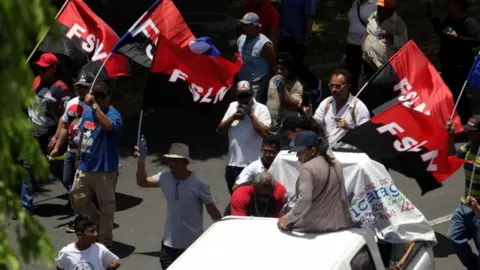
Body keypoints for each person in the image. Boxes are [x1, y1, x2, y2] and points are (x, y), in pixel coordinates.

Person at [134, 142, 222, 269]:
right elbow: (142, 182)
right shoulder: (164, 177)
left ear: (185, 162)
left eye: (175, 161)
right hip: (168, 245)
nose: (170, 164)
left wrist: (222, 227)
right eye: (169, 160)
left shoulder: (198, 183)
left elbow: (211, 208)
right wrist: (141, 159)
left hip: (192, 245)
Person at [71, 82, 122, 249]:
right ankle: (98, 222)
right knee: (77, 198)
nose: (98, 99)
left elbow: (107, 126)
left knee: (107, 206)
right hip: (85, 167)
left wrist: (94, 105)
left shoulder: (113, 115)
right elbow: (83, 135)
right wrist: (78, 158)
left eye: (102, 97)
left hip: (104, 170)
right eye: (96, 96)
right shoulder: (87, 113)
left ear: (108, 98)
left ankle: (105, 242)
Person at [278, 130, 354, 232]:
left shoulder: (307, 168)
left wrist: (288, 218)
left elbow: (304, 200)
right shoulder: (337, 164)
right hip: (338, 224)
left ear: (313, 150)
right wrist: (350, 221)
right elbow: (343, 197)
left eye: (300, 152)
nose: (297, 156)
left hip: (313, 226)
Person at [23, 52, 71, 213]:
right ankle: (26, 207)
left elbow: (67, 118)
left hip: (50, 136)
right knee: (27, 170)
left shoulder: (61, 89)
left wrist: (57, 139)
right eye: (39, 68)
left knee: (61, 170)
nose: (40, 72)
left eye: (44, 69)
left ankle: (77, 201)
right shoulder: (36, 81)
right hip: (32, 134)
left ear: (53, 69)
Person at [50, 72, 91, 232]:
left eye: (84, 87)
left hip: (85, 153)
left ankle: (80, 217)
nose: (81, 90)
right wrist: (56, 147)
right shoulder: (71, 104)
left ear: (89, 88)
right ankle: (82, 211)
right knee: (68, 181)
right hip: (70, 150)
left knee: (79, 187)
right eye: (78, 87)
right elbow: (65, 127)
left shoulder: (93, 106)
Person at [426, 0, 480, 123]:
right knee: (451, 94)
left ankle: (468, 123)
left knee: (461, 95)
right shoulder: (449, 19)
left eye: (452, 3)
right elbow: (444, 34)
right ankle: (457, 121)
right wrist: (434, 19)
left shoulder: (468, 22)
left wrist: (458, 38)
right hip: (448, 64)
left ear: (459, 5)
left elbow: (477, 40)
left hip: (461, 65)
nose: (448, 6)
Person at [217, 80, 271, 194]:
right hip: (233, 164)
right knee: (236, 199)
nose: (244, 99)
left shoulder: (261, 108)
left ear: (252, 94)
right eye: (241, 96)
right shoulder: (233, 106)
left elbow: (264, 133)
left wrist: (250, 114)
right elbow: (220, 130)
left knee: (252, 199)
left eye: (247, 95)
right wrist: (233, 118)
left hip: (253, 164)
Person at [446, 115, 480, 270]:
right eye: (468, 130)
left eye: (473, 131)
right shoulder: (469, 146)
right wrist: (450, 137)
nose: (469, 133)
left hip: (478, 210)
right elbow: (452, 158)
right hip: (465, 205)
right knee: (454, 238)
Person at [313, 69, 370, 149]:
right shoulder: (326, 103)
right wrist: (308, 115)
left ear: (348, 86)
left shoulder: (359, 107)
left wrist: (348, 128)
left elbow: (366, 136)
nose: (334, 90)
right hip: (328, 154)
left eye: (338, 86)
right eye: (331, 86)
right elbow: (315, 124)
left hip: (348, 156)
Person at [278, 0, 321, 104]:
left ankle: (314, 84)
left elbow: (310, 17)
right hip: (284, 35)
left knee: (297, 65)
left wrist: (307, 37)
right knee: (286, 65)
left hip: (298, 36)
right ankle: (291, 93)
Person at [236, 12, 276, 104]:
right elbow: (238, 55)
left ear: (256, 27)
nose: (243, 27)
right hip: (243, 79)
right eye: (243, 24)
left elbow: (272, 63)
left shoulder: (265, 44)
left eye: (246, 25)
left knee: (254, 107)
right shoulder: (241, 38)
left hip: (258, 81)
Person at [55, 215, 120, 270]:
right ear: (80, 235)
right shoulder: (66, 252)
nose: (96, 234)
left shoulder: (100, 248)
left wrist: (113, 266)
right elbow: (59, 268)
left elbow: (114, 261)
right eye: (91, 231)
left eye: (96, 230)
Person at [362, 0, 408, 77]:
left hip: (383, 65)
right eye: (379, 7)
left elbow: (404, 44)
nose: (379, 10)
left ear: (391, 10)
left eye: (383, 8)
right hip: (368, 60)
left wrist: (389, 36)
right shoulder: (372, 16)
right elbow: (367, 33)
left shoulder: (399, 23)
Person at [345, 0, 377, 94]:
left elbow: (380, 25)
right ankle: (351, 99)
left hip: (367, 46)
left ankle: (371, 101)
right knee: (351, 75)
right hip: (352, 45)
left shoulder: (375, 3)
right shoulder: (355, 3)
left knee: (369, 74)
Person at [266, 52, 303, 127]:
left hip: (284, 124)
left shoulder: (297, 86)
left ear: (290, 70)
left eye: (282, 69)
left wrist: (284, 88)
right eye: (278, 68)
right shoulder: (273, 80)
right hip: (270, 122)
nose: (279, 71)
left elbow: (295, 105)